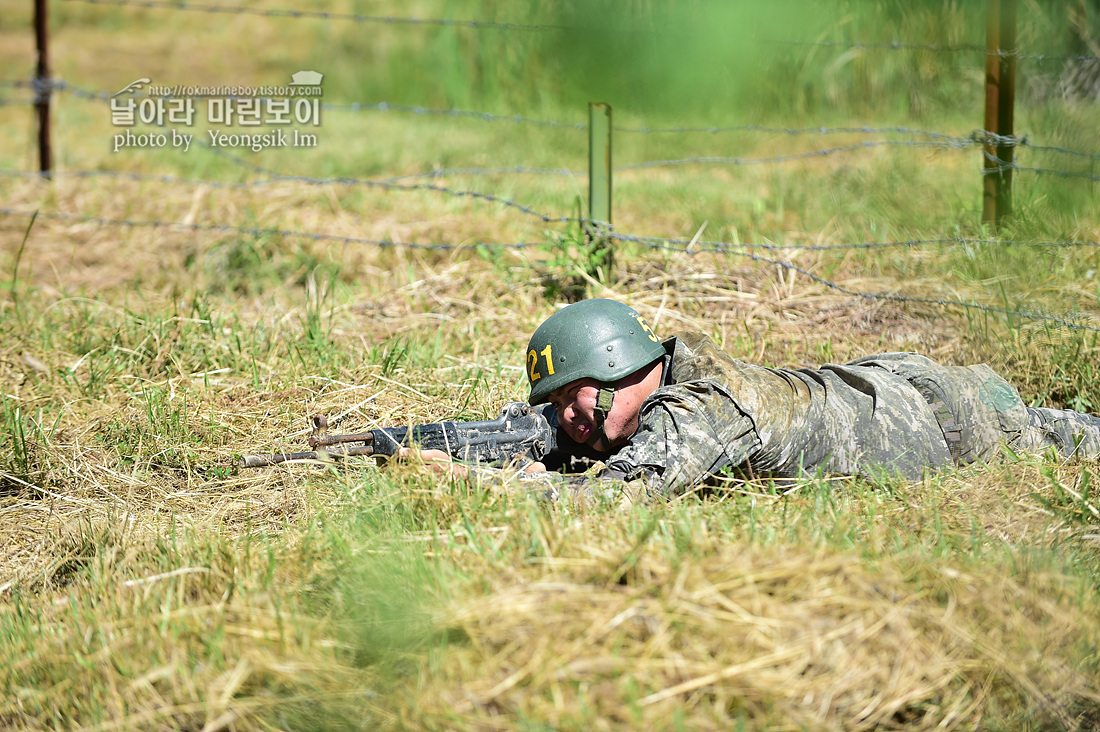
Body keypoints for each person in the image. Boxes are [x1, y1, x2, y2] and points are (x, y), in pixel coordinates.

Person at [409, 299, 1100, 499]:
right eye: (555, 407)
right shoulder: (670, 384)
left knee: (1063, 435)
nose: (567, 419)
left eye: (572, 398)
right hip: (873, 381)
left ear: (617, 366)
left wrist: (475, 488)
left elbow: (618, 499)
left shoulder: (700, 406)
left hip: (942, 421)